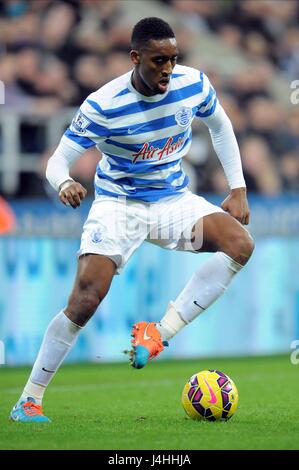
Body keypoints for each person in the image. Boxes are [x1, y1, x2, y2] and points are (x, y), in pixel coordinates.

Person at [10, 17, 254, 423]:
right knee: (86, 298)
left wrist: (238, 187)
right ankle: (29, 399)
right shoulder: (104, 105)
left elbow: (220, 125)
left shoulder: (192, 84)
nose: (168, 70)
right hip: (119, 205)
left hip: (174, 201)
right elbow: (58, 160)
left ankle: (158, 334)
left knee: (240, 244)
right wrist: (64, 182)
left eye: (174, 59)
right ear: (135, 57)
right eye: (159, 60)